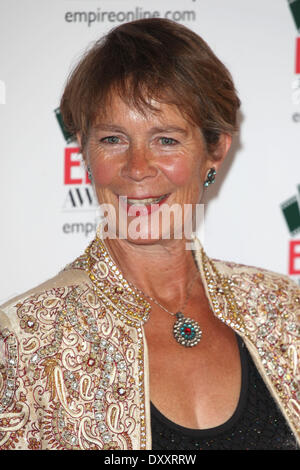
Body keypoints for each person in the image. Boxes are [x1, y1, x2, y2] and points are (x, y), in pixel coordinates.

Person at [0, 18, 299, 451]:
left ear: (214, 151)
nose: (137, 168)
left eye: (166, 140)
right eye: (113, 139)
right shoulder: (23, 342)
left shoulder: (279, 310)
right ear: (84, 149)